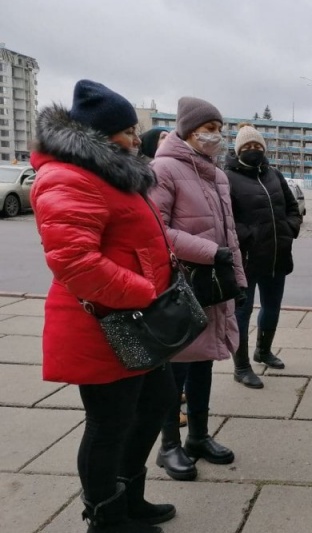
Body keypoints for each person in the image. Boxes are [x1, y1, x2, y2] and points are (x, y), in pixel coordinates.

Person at [30, 80, 175, 532]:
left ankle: (130, 494)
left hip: (136, 322)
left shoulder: (113, 173)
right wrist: (144, 290)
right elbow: (74, 261)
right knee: (109, 424)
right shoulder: (68, 176)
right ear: (100, 133)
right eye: (129, 130)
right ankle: (106, 516)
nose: (137, 139)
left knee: (155, 404)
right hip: (102, 327)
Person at [150, 97, 247, 481]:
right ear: (190, 131)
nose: (217, 137)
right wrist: (210, 253)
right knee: (176, 366)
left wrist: (236, 279)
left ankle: (199, 437)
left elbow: (231, 235)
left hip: (210, 285)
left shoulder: (215, 173)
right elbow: (156, 231)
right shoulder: (164, 169)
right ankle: (168, 445)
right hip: (181, 284)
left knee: (204, 361)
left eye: (220, 131)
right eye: (211, 130)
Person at [226, 123, 302, 388]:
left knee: (272, 308)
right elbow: (226, 220)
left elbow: (293, 208)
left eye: (257, 146)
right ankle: (242, 366)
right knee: (241, 314)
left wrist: (289, 228)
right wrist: (250, 235)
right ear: (238, 151)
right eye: (247, 147)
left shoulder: (274, 175)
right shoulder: (227, 178)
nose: (253, 150)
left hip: (277, 255)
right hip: (246, 260)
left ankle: (263, 351)